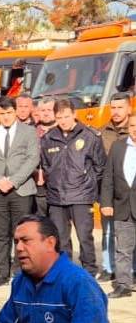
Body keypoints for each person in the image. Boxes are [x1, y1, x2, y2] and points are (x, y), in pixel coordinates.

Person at [40, 98, 105, 275]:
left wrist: (89, 185)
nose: (63, 120)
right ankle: (65, 271)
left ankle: (89, 270)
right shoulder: (48, 138)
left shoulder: (90, 136)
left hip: (81, 196)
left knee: (85, 237)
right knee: (60, 238)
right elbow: (46, 166)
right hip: (56, 197)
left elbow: (100, 167)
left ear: (74, 114)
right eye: (59, 117)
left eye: (66, 116)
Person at [0, 96, 39, 286]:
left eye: (9, 113)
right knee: (0, 234)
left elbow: (32, 159)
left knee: (21, 233)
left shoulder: (29, 132)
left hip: (20, 189)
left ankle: (21, 272)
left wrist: (13, 181)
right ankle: (2, 273)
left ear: (16, 112)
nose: (5, 117)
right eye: (2, 113)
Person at [100, 112, 136, 299]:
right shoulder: (118, 147)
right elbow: (108, 178)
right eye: (132, 126)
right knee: (123, 249)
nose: (135, 130)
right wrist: (106, 202)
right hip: (122, 206)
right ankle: (123, 285)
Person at [32, 96, 56, 216]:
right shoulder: (30, 132)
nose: (46, 114)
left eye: (49, 110)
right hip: (37, 187)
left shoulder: (63, 131)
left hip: (58, 188)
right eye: (43, 110)